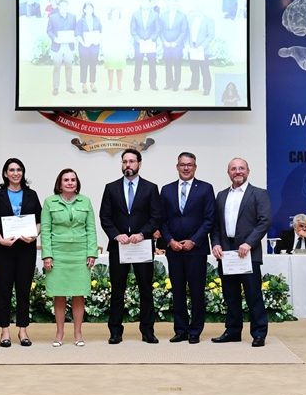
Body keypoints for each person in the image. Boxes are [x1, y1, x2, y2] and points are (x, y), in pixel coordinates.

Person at [99, 149, 162, 344]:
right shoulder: (111, 188)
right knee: (118, 290)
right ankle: (115, 331)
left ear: (139, 164)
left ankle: (147, 331)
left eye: (132, 161)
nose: (128, 165)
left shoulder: (151, 188)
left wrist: (142, 234)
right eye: (125, 161)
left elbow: (156, 217)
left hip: (142, 245)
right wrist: (116, 235)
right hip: (119, 246)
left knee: (145, 289)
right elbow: (105, 217)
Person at [210, 158, 271, 347]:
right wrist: (216, 244)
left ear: (248, 171)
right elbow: (215, 225)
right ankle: (233, 331)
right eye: (234, 169)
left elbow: (265, 221)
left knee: (253, 295)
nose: (238, 172)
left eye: (241, 168)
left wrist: (249, 243)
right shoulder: (220, 195)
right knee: (231, 295)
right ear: (228, 172)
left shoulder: (259, 194)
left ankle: (259, 333)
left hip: (248, 254)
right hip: (226, 254)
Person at [0, 158, 41, 348]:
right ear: (5, 173)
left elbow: (40, 220)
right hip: (3, 249)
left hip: (26, 248)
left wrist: (34, 236)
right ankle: (5, 330)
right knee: (4, 289)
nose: (15, 173)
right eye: (12, 170)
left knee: (24, 290)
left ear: (23, 173)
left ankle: (23, 329)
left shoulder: (31, 195)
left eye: (19, 170)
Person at [159, 152, 215, 344]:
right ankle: (181, 330)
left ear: (195, 167)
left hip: (196, 250)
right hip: (174, 250)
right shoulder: (166, 190)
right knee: (178, 291)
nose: (185, 168)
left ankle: (195, 331)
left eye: (189, 165)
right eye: (182, 165)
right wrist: (170, 240)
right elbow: (162, 220)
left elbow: (209, 219)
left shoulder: (206, 189)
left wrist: (194, 240)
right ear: (177, 167)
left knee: (197, 291)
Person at [41, 169, 98, 347]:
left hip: (80, 254)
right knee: (59, 294)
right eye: (66, 180)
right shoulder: (49, 202)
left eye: (73, 179)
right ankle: (59, 333)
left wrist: (91, 253)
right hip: (58, 254)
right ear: (60, 183)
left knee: (79, 294)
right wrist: (47, 255)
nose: (70, 182)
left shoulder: (85, 201)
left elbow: (91, 229)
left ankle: (78, 333)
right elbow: (45, 230)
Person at [46, 0, 77, 95]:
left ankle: (69, 87)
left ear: (68, 6)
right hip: (57, 46)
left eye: (65, 6)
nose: (64, 8)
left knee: (69, 67)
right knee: (57, 67)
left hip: (68, 46)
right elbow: (49, 31)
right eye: (62, 6)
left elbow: (75, 29)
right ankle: (55, 88)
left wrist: (73, 36)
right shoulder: (52, 17)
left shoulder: (73, 17)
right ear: (58, 6)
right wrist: (54, 38)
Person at [130, 0, 160, 91]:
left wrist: (152, 39)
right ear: (141, 3)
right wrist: (139, 40)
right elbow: (132, 29)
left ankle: (153, 84)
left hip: (151, 43)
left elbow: (157, 29)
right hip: (139, 43)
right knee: (138, 64)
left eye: (147, 2)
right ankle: (137, 84)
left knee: (152, 64)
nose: (145, 4)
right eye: (143, 2)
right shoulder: (135, 14)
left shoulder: (155, 15)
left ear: (149, 4)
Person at [159, 0, 188, 91]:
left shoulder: (182, 16)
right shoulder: (163, 15)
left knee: (177, 65)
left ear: (177, 4)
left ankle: (176, 84)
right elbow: (160, 31)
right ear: (168, 4)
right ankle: (169, 83)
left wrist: (176, 42)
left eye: (174, 3)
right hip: (166, 44)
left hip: (177, 45)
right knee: (167, 65)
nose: (172, 5)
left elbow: (184, 31)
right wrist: (164, 41)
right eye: (171, 3)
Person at [184, 9, 214, 96]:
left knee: (205, 70)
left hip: (203, 50)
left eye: (200, 9)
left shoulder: (209, 20)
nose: (197, 12)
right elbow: (188, 34)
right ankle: (194, 85)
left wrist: (202, 47)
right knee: (194, 69)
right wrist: (188, 45)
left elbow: (211, 35)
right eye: (196, 10)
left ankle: (207, 88)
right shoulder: (191, 19)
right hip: (192, 49)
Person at [76, 2, 102, 94]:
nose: (89, 10)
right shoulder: (80, 21)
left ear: (93, 10)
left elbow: (100, 32)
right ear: (84, 10)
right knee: (84, 65)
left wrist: (98, 40)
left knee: (93, 65)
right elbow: (78, 34)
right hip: (84, 47)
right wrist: (83, 43)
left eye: (91, 8)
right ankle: (84, 84)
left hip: (94, 46)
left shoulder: (97, 19)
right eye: (87, 8)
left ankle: (92, 83)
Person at [101, 7, 128, 91]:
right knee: (110, 67)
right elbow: (104, 37)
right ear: (111, 14)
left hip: (120, 48)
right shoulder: (106, 24)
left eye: (117, 13)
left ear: (119, 15)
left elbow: (125, 37)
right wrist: (104, 48)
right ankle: (110, 85)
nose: (115, 15)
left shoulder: (122, 24)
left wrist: (125, 47)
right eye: (113, 13)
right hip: (110, 48)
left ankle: (119, 85)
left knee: (120, 67)